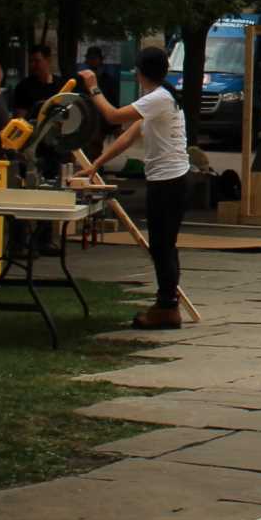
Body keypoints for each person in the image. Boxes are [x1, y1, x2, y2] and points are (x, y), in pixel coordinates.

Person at [82, 48, 194, 330]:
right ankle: (167, 304)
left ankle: (167, 307)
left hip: (169, 181)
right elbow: (129, 135)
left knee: (162, 246)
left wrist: (93, 87)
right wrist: (97, 163)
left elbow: (114, 116)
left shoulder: (159, 98)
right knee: (162, 246)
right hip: (168, 180)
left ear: (140, 72)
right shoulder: (158, 98)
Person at [11, 43, 55, 120]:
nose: (32, 65)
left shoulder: (61, 84)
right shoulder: (23, 87)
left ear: (48, 60)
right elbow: (19, 118)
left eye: (37, 61)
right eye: (31, 61)